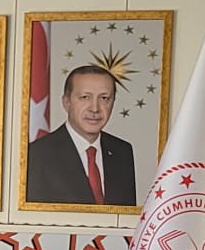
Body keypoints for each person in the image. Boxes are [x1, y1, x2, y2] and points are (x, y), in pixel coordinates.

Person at [24, 66, 137, 207]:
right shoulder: (37, 155)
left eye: (104, 98)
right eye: (85, 97)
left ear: (113, 103)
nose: (95, 108)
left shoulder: (122, 151)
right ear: (66, 102)